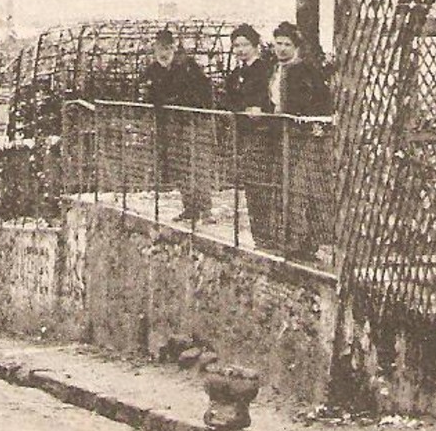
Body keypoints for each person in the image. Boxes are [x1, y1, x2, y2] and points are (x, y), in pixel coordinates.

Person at [267, 22, 331, 262]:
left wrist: (316, 124)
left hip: (302, 136)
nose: (281, 49)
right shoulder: (277, 69)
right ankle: (286, 239)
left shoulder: (304, 70)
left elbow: (321, 100)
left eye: (287, 45)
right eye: (278, 44)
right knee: (283, 185)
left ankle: (303, 243)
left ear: (296, 47)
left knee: (300, 188)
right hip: (281, 135)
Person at [138, 28, 214, 222]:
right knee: (179, 165)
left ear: (173, 47)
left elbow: (204, 90)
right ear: (154, 48)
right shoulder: (152, 70)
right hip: (168, 124)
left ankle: (204, 209)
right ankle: (189, 207)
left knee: (197, 164)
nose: (162, 52)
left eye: (166, 47)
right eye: (158, 48)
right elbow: (144, 95)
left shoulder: (187, 66)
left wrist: (195, 109)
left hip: (191, 122)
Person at [220, 25, 277, 251]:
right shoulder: (236, 74)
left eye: (245, 45)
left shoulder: (265, 70)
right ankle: (260, 236)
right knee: (252, 185)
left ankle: (269, 236)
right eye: (236, 45)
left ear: (255, 46)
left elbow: (267, 100)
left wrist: (256, 109)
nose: (240, 50)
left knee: (262, 183)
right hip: (245, 132)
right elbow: (229, 101)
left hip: (263, 133)